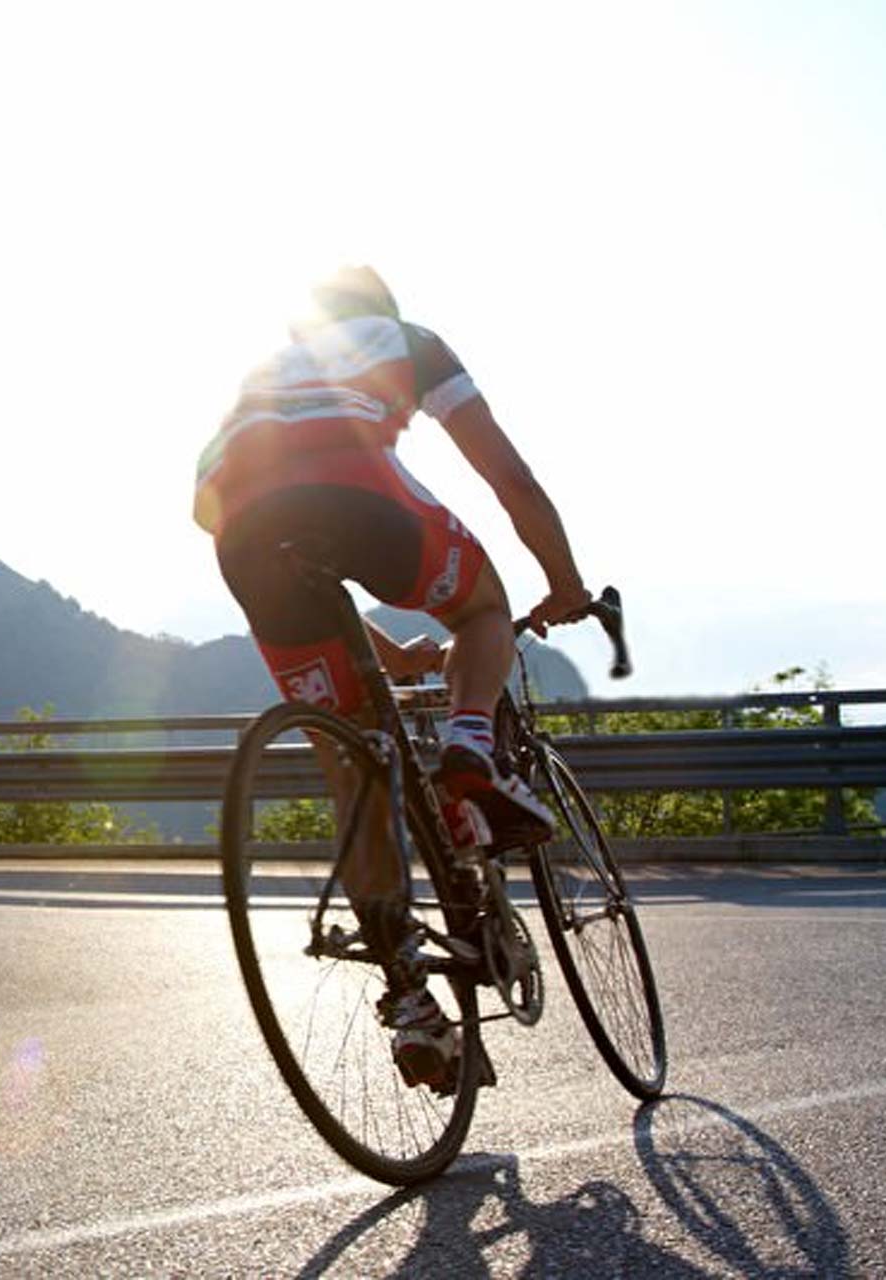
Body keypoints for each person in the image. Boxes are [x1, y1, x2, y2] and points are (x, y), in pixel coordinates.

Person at [195, 266, 592, 1089]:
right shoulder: (410, 342)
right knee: (484, 611)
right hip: (359, 496)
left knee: (353, 760)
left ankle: (410, 1001)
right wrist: (564, 580)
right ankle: (472, 746)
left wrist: (377, 644)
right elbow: (508, 478)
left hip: (241, 533)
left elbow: (226, 513)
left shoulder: (263, 375)